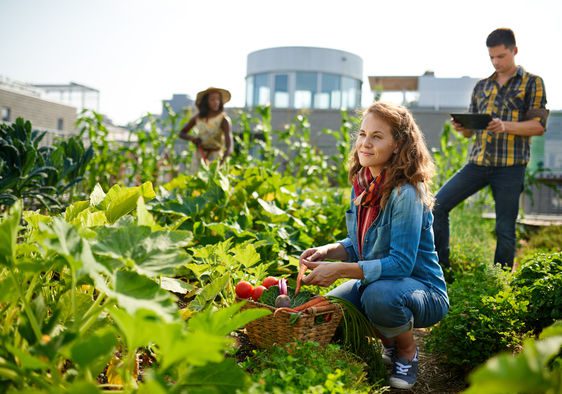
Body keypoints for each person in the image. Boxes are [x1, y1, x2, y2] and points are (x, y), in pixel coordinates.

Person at [299, 101, 449, 390]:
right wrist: (329, 251)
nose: (365, 143)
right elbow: (362, 244)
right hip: (382, 282)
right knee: (330, 310)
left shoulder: (406, 193)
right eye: (363, 134)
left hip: (422, 289)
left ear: (397, 145)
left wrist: (341, 270)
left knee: (378, 297)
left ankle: (406, 350)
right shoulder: (365, 184)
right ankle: (389, 338)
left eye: (377, 136)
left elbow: (401, 264)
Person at [432, 28, 548, 269]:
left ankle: (500, 280)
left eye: (501, 56)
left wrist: (505, 126)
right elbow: (470, 132)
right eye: (492, 57)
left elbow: (538, 126)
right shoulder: (482, 87)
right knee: (437, 205)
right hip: (478, 163)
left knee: (504, 228)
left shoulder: (532, 83)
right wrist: (462, 127)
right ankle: (441, 269)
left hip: (510, 167)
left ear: (514, 51)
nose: (496, 62)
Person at [179, 87, 233, 172]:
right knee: (195, 180)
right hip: (199, 155)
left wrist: (221, 162)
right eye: (212, 99)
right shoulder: (198, 118)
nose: (216, 102)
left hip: (216, 157)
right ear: (206, 102)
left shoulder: (223, 120)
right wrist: (193, 139)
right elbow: (182, 133)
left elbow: (229, 146)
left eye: (218, 99)